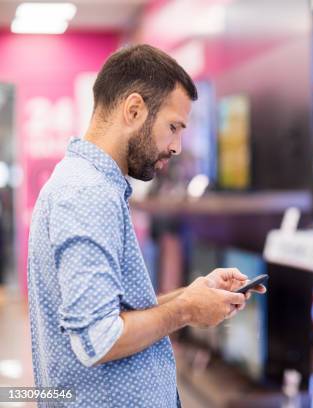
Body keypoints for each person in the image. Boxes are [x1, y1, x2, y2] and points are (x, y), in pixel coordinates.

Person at [27, 44, 265, 407]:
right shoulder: (87, 194)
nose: (177, 146)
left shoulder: (87, 184)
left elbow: (112, 313)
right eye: (173, 127)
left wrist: (191, 295)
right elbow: (98, 338)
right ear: (134, 109)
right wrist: (185, 310)